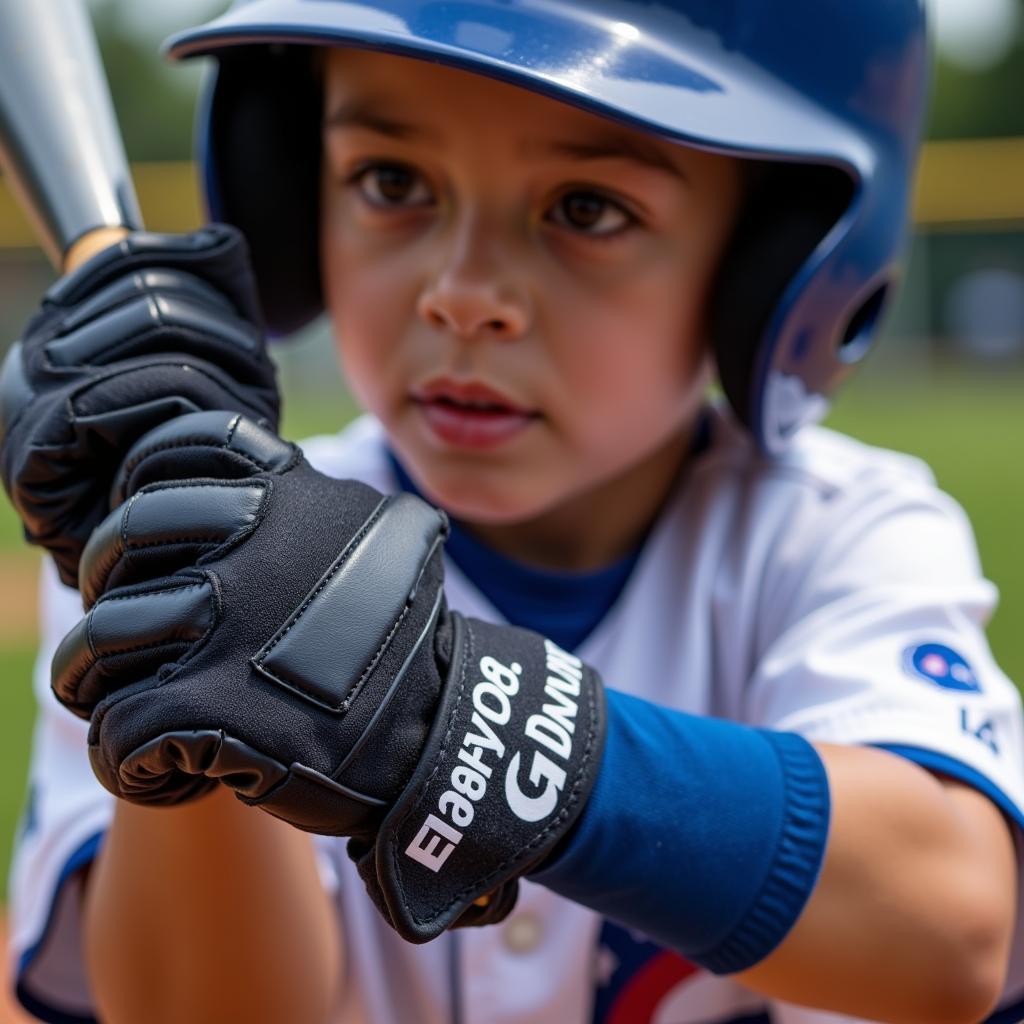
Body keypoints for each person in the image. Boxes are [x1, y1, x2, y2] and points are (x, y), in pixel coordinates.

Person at [4, 2, 1024, 1022]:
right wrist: (200, 671)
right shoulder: (194, 546)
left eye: (586, 207)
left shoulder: (833, 533)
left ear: (775, 258)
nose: (461, 293)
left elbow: (951, 931)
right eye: (391, 182)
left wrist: (475, 734)